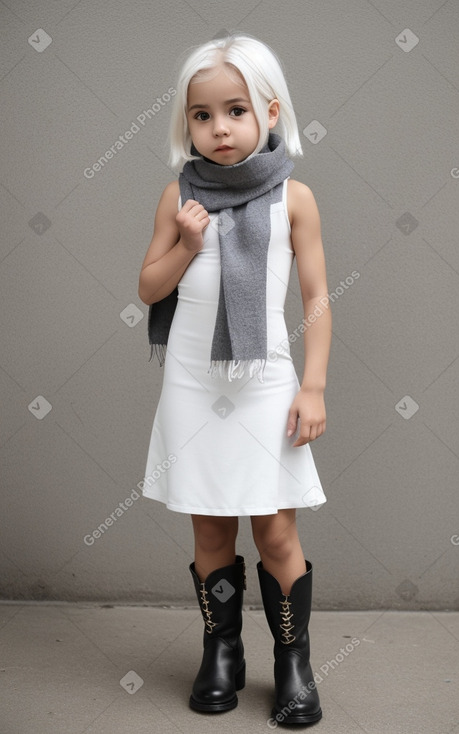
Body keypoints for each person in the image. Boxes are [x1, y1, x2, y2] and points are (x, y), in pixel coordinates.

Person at [138, 32, 332, 726]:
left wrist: (312, 387)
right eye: (201, 115)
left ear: (270, 113)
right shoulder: (178, 198)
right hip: (194, 387)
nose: (218, 128)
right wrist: (188, 244)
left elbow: (314, 301)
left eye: (235, 110)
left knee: (275, 533)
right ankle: (221, 650)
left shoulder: (294, 200)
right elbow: (148, 287)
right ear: (186, 122)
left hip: (264, 388)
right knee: (210, 530)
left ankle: (292, 660)